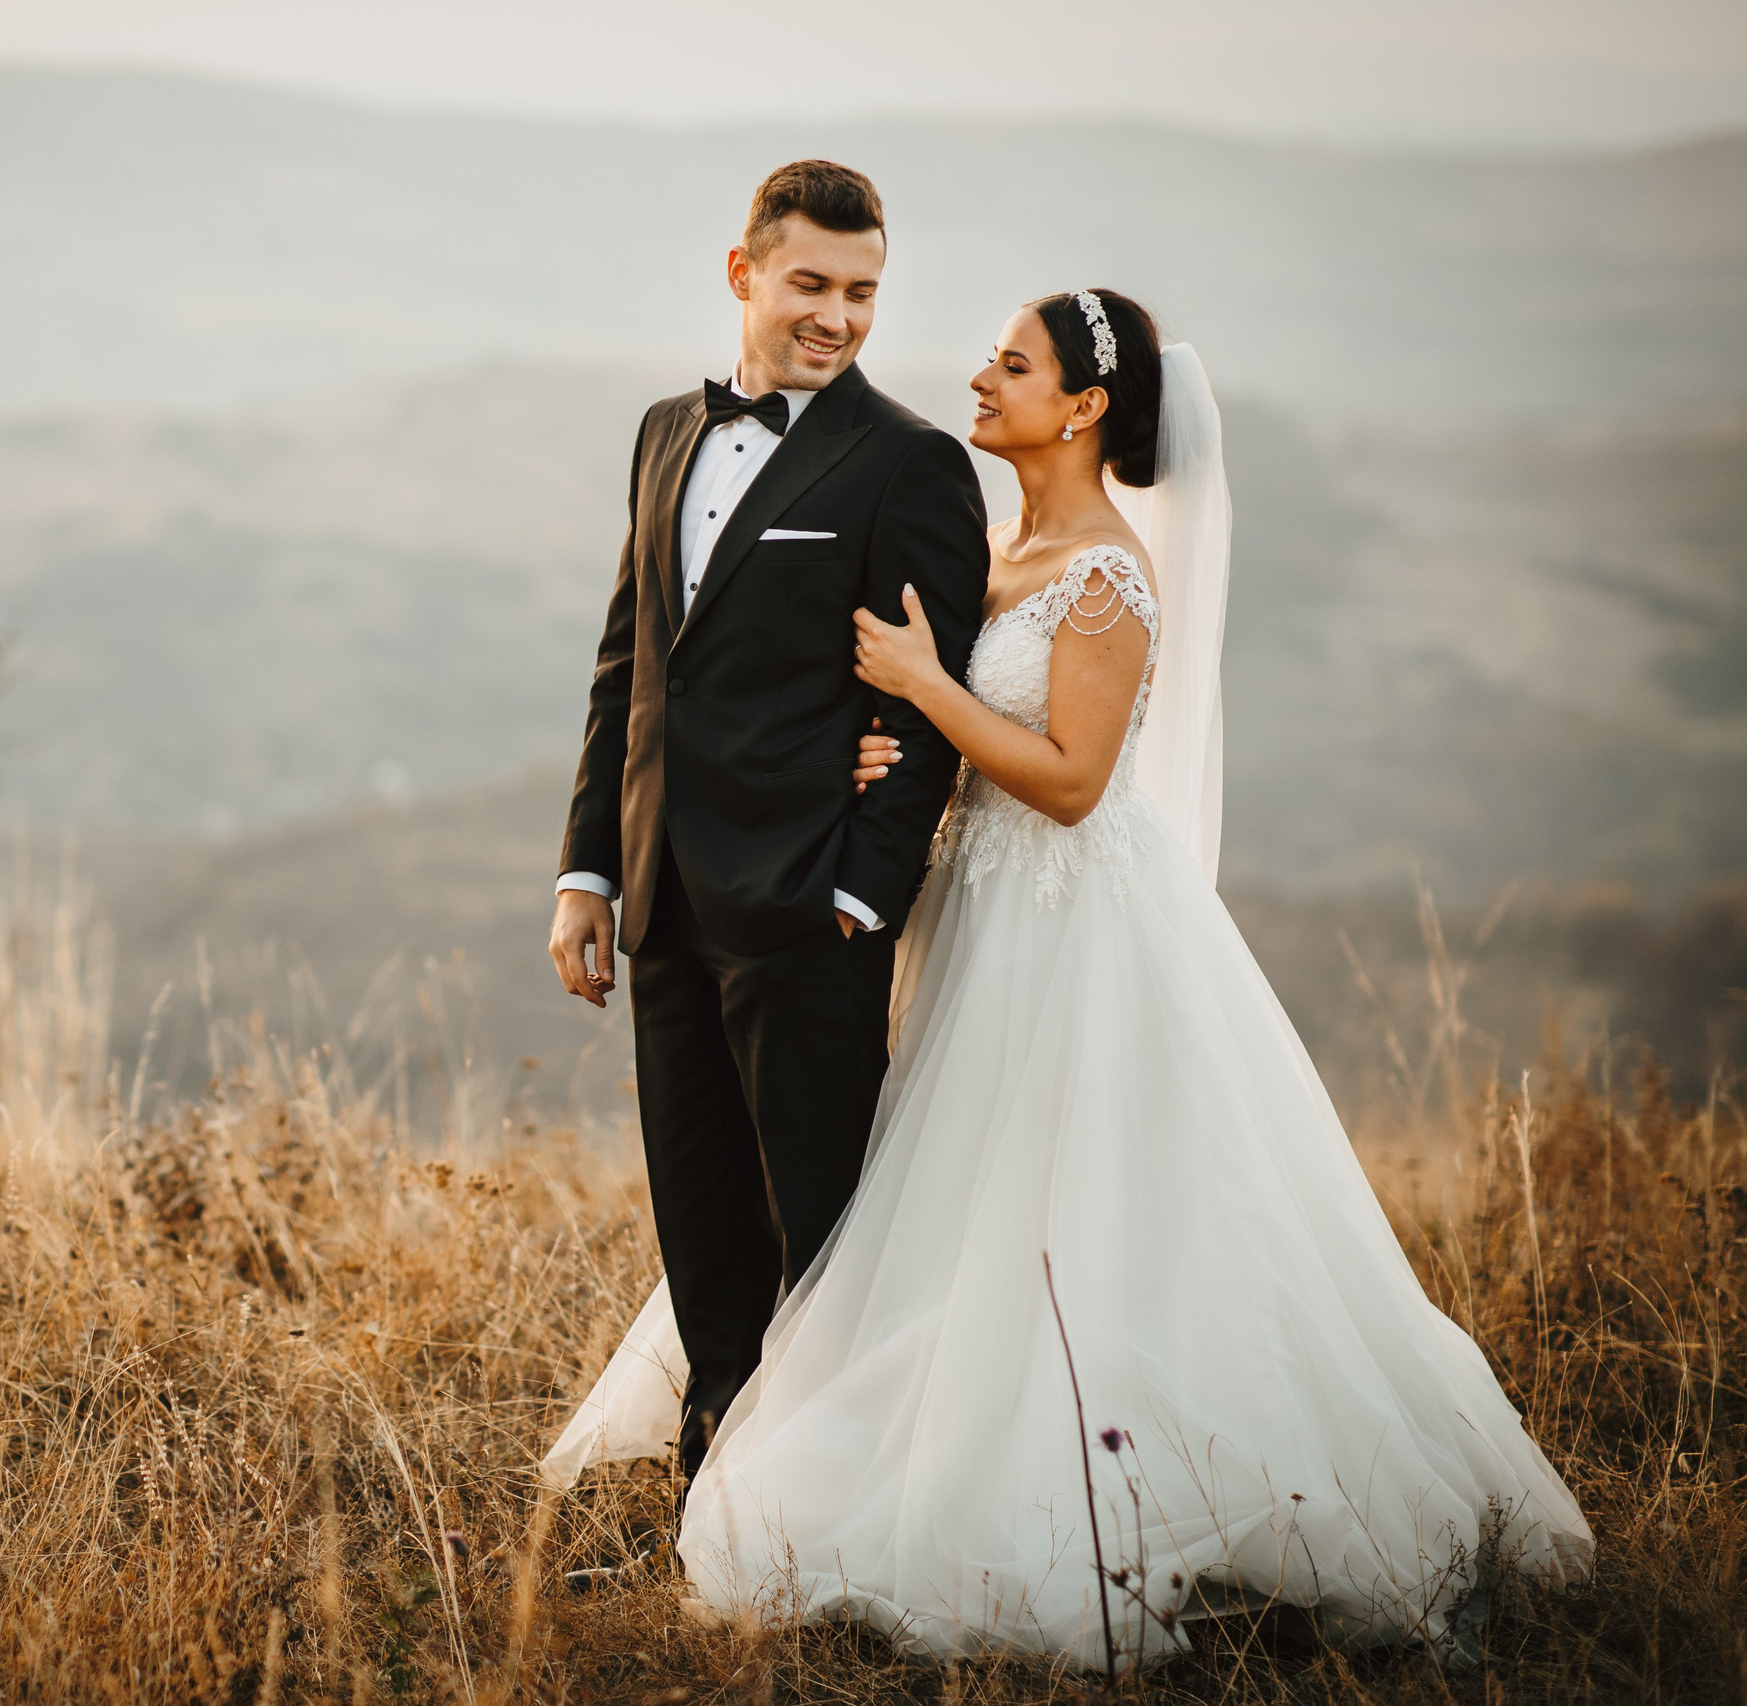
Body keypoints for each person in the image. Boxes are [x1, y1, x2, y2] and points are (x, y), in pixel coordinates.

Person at [546, 286, 1592, 1669]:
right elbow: (940, 730)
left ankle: (1099, 1476)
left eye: (1014, 363)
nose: (981, 376)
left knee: (1071, 1204)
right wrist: (882, 747)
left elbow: (1075, 782)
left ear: (1084, 406)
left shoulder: (1107, 572)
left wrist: (929, 694)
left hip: (1072, 927)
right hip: (975, 911)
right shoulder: (998, 543)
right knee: (942, 1197)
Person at [545, 158, 992, 1487]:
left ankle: (839, 1487)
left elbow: (927, 707)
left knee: (826, 1225)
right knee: (700, 1214)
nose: (839, 315)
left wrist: (864, 895)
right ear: (745, 275)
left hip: (810, 913)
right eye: (813, 284)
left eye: (863, 292)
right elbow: (630, 666)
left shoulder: (909, 464)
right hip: (664, 896)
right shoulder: (660, 434)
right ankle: (720, 1478)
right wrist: (587, 871)